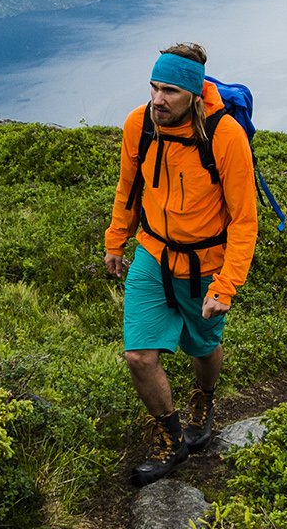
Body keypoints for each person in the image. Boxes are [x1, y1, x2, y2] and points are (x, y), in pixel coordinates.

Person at [103, 42, 259, 487]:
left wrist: (226, 285)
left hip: (205, 264)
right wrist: (116, 241)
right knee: (138, 356)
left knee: (203, 347)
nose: (157, 100)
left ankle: (203, 400)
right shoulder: (140, 125)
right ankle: (170, 441)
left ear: (193, 93)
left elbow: (245, 220)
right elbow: (128, 188)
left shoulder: (224, 136)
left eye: (169, 91)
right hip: (153, 253)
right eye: (153, 88)